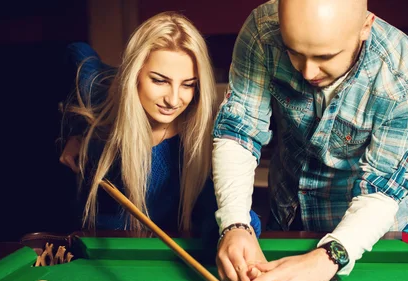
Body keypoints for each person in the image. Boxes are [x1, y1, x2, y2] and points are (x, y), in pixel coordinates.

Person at [213, 0, 408, 281]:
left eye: (325, 56)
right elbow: (239, 132)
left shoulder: (404, 75)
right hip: (289, 211)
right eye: (294, 51)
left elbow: (382, 188)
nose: (307, 71)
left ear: (365, 27)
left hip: (369, 233)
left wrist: (332, 255)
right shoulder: (263, 32)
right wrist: (235, 223)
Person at [58, 12, 262, 239]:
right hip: (87, 245)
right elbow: (76, 51)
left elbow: (216, 216)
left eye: (188, 85)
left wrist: (240, 227)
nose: (173, 100)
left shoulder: (196, 146)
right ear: (133, 75)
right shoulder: (99, 91)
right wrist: (76, 132)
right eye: (159, 80)